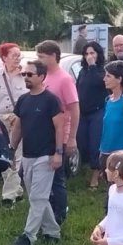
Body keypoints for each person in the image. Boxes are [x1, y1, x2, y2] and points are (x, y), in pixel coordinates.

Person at [7, 60, 64, 245]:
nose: (26, 78)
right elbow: (18, 126)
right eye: (24, 74)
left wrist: (58, 152)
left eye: (30, 74)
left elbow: (59, 127)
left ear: (41, 76)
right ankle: (53, 232)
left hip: (46, 156)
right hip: (28, 156)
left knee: (38, 197)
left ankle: (28, 237)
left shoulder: (51, 100)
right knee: (37, 198)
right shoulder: (23, 100)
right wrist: (11, 148)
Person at [36, 40, 79, 225]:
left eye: (42, 56)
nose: (39, 60)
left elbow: (75, 109)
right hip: (42, 134)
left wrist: (72, 138)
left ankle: (60, 215)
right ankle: (46, 212)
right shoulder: (42, 77)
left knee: (57, 178)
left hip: (60, 134)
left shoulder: (64, 79)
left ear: (53, 56)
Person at [0, 42, 28, 207]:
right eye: (14, 55)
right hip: (0, 119)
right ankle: (16, 191)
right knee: (4, 155)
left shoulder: (25, 74)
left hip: (19, 120)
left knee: (18, 156)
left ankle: (9, 196)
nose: (18, 58)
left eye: (19, 55)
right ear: (4, 57)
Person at [77, 42, 108, 189]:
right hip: (83, 112)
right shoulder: (82, 71)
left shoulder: (102, 70)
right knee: (82, 142)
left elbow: (99, 82)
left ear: (97, 54)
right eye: (87, 54)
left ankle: (95, 176)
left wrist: (93, 66)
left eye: (92, 53)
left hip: (98, 111)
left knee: (95, 143)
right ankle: (87, 168)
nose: (89, 56)